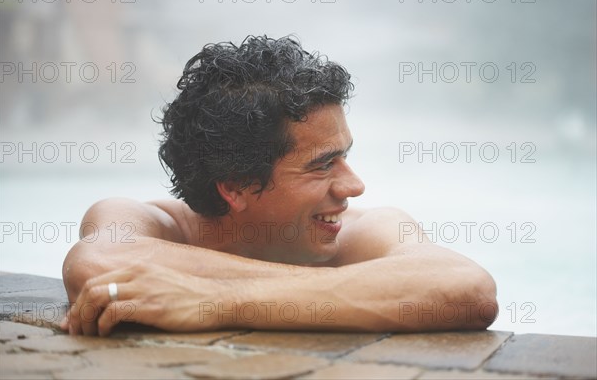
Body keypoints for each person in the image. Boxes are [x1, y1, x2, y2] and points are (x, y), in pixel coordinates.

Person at [61, 35, 498, 336]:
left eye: (346, 155)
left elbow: (468, 289)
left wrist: (220, 301)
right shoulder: (149, 222)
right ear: (235, 187)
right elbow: (95, 266)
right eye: (323, 165)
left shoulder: (363, 231)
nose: (355, 186)